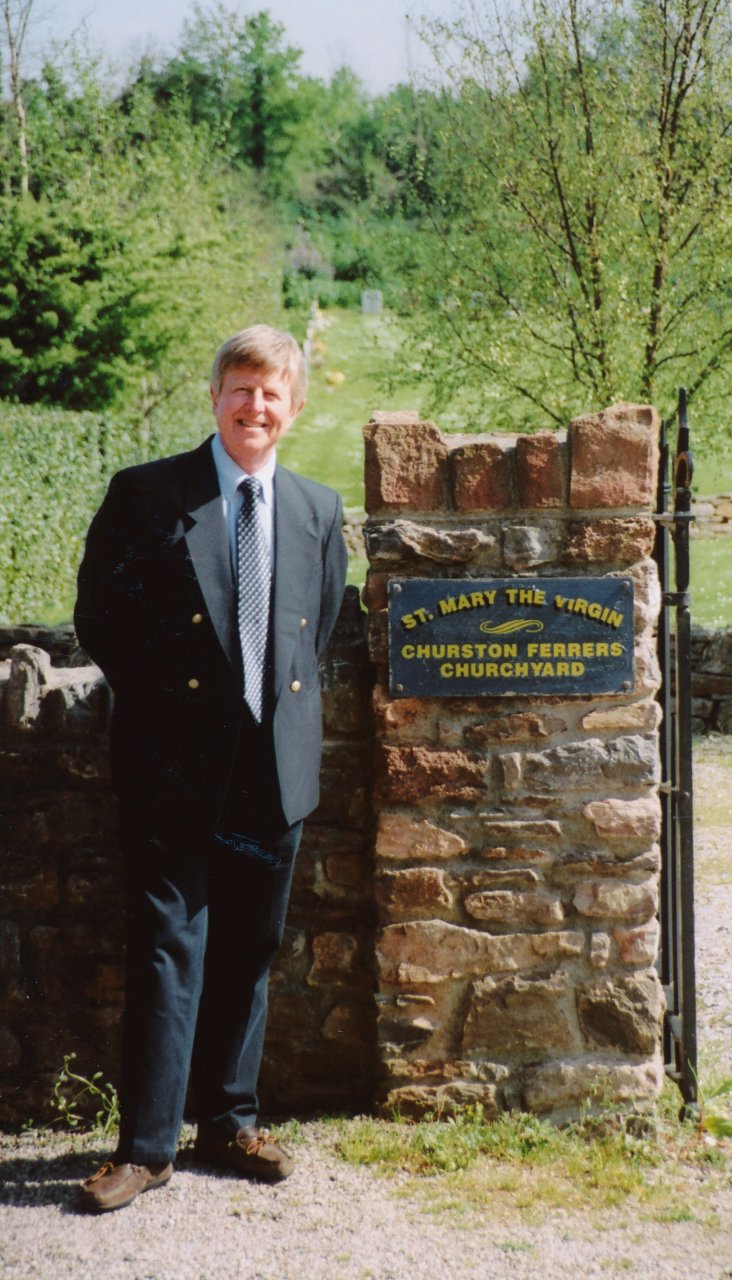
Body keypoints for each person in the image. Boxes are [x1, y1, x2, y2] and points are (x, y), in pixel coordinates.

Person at [74, 326, 347, 1212]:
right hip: (172, 767)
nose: (254, 406)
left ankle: (229, 1124)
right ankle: (145, 1148)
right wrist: (175, 713)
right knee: (166, 948)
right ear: (216, 396)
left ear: (293, 407)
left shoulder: (316, 509)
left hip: (274, 767)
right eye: (241, 388)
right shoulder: (149, 495)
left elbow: (317, 629)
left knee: (249, 948)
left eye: (271, 392)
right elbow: (100, 617)